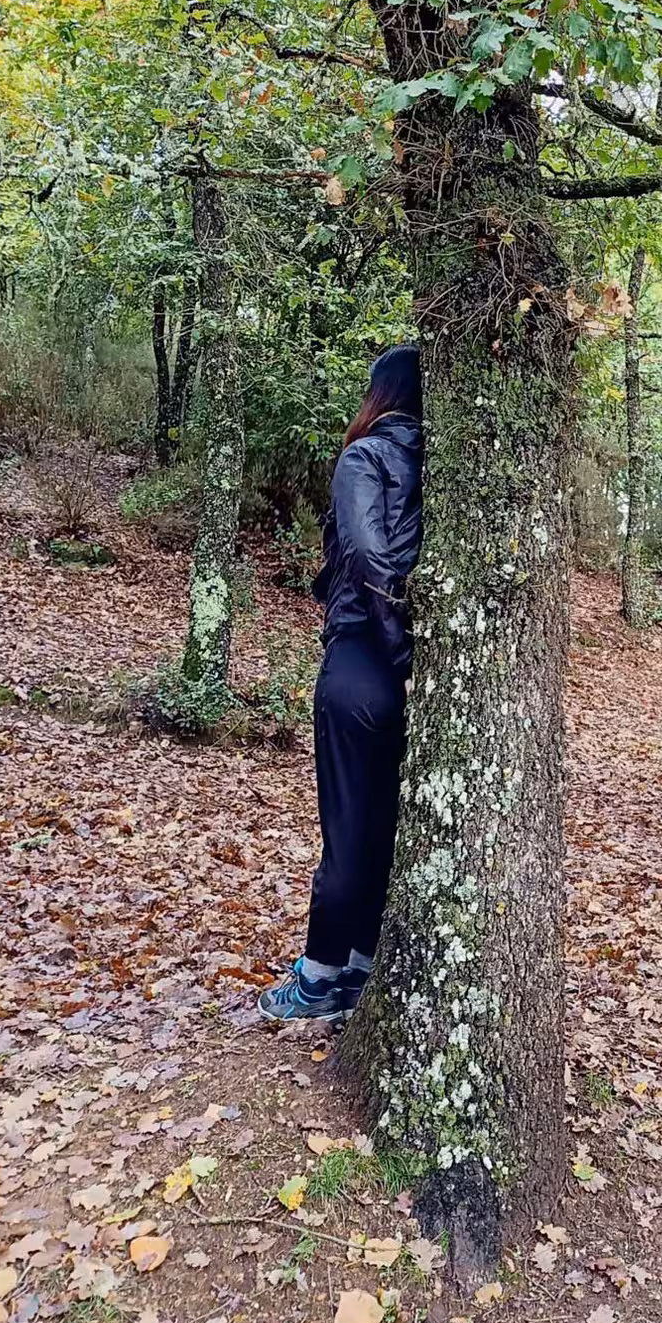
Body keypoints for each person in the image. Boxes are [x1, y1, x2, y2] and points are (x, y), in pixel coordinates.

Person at [260, 345, 424, 1023]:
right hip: (403, 669)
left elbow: (364, 555)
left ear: (381, 394)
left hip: (363, 656)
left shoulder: (365, 458)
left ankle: (320, 975)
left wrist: (390, 643)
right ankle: (359, 967)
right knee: (380, 822)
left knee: (349, 826)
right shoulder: (438, 465)